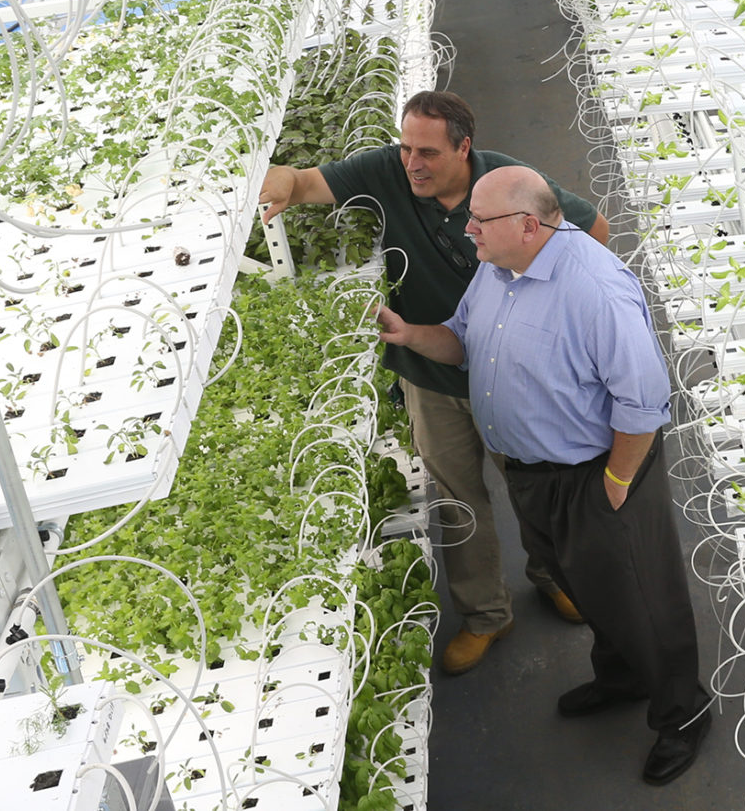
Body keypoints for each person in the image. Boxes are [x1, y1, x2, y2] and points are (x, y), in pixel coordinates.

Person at [374, 165, 709, 786]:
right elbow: (464, 340)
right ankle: (622, 677)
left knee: (641, 597)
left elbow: (644, 401)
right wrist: (410, 335)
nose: (466, 227)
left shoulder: (595, 288)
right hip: (534, 476)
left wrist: (615, 484)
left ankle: (683, 714)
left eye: (480, 219)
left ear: (528, 225)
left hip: (595, 474)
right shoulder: (499, 269)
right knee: (586, 585)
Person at [260, 91, 610, 676]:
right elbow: (303, 184)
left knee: (533, 482)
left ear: (463, 148)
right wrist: (270, 179)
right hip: (429, 370)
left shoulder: (506, 184)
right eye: (405, 148)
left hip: (511, 373)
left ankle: (554, 577)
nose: (412, 163)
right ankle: (485, 617)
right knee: (455, 500)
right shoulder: (388, 173)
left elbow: (593, 228)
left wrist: (547, 309)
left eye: (427, 151)